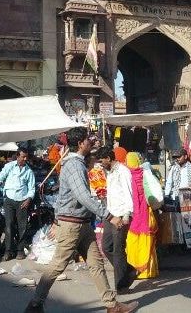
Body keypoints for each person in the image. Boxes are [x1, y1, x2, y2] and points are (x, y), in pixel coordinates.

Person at [25, 128, 138, 313]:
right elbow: (84, 197)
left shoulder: (77, 164)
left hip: (83, 224)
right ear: (80, 144)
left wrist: (56, 219)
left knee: (96, 264)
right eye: (88, 140)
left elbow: (64, 197)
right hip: (72, 225)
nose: (91, 142)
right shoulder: (74, 166)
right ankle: (35, 304)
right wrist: (110, 216)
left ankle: (112, 305)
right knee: (58, 265)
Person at [98, 146, 136, 292]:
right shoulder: (109, 172)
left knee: (118, 249)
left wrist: (127, 215)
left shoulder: (123, 171)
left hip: (121, 214)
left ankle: (121, 286)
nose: (101, 164)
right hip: (110, 214)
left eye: (102, 161)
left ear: (108, 158)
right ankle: (129, 271)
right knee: (106, 247)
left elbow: (128, 193)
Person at [0, 147, 36, 261]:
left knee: (22, 226)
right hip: (9, 200)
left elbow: (31, 188)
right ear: (17, 156)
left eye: (26, 157)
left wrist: (28, 199)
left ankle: (20, 251)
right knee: (9, 225)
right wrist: (5, 187)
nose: (25, 159)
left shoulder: (29, 171)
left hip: (22, 201)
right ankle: (8, 251)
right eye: (23, 157)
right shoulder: (9, 167)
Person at [125, 152, 159, 280]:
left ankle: (134, 269)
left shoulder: (126, 176)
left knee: (132, 241)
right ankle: (148, 271)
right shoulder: (146, 174)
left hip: (133, 214)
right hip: (146, 212)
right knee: (147, 241)